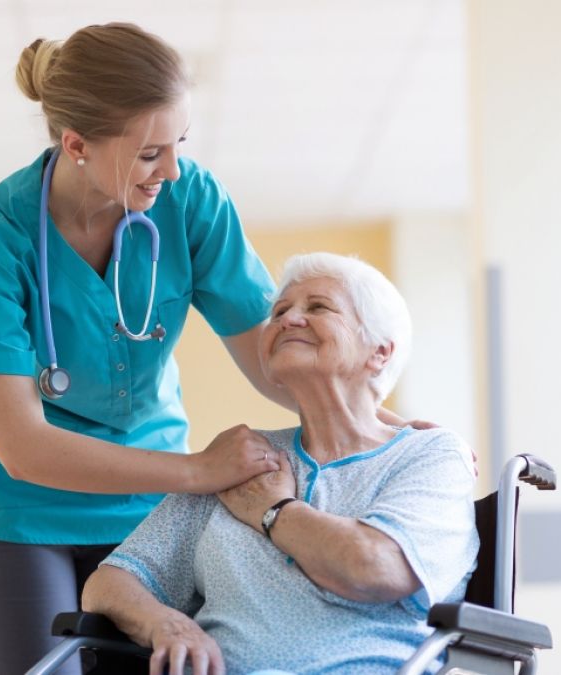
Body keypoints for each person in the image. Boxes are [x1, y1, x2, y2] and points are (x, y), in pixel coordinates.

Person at [0, 23, 414, 675]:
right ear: (76, 145)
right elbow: (21, 446)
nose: (174, 168)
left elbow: (274, 358)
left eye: (180, 142)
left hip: (147, 514)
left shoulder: (189, 201)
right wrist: (197, 471)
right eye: (151, 152)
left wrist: (386, 429)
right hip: (17, 517)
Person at [82, 252, 479, 675]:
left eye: (318, 307)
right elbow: (111, 581)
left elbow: (375, 566)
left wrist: (275, 512)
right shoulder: (239, 460)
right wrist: (167, 623)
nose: (288, 320)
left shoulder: (429, 455)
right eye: (280, 311)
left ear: (379, 352)